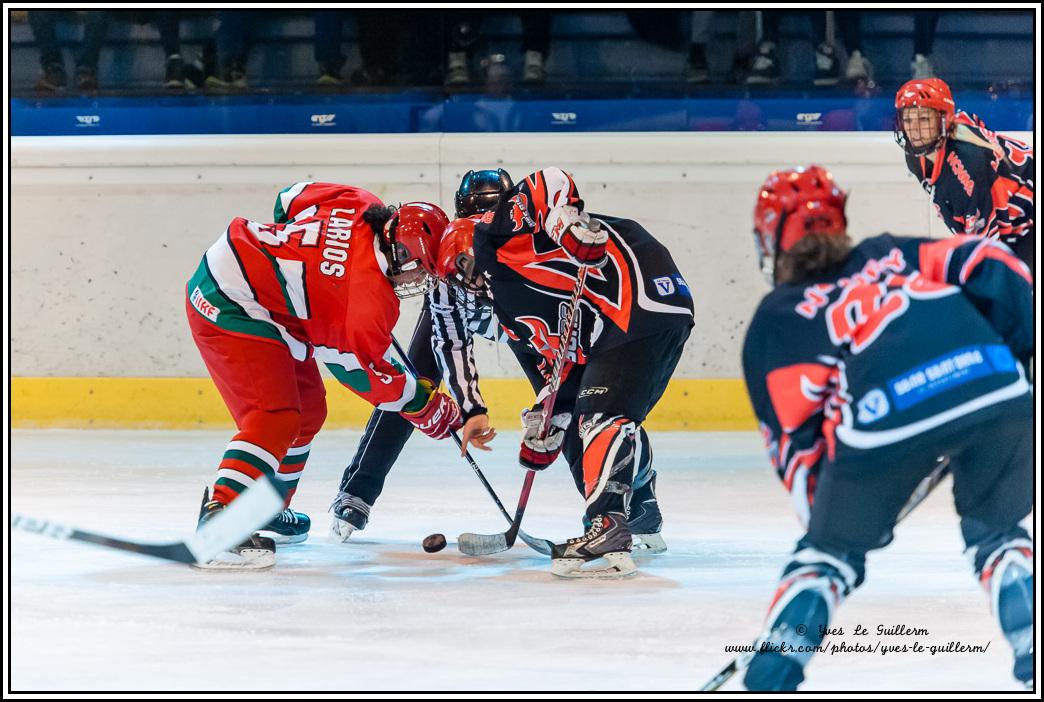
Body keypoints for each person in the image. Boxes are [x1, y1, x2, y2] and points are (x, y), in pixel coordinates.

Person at [739, 165, 1033, 690]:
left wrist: (834, 525)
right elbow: (989, 259)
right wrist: (1018, 353)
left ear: (771, 238)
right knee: (996, 534)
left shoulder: (779, 315)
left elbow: (794, 437)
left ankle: (775, 667)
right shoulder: (889, 252)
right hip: (997, 388)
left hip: (885, 416)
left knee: (826, 555)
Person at [185, 182, 462, 568]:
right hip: (231, 302)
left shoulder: (360, 202)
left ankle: (264, 509)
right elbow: (364, 376)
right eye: (420, 271)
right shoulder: (365, 303)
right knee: (274, 418)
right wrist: (425, 405)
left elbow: (288, 198)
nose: (418, 282)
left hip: (256, 290)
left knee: (309, 411)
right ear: (400, 253)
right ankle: (220, 521)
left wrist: (297, 257)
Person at [469, 167, 695, 578]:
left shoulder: (491, 235)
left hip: (636, 286)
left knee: (602, 415)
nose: (459, 281)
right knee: (597, 412)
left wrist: (565, 223)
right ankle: (636, 512)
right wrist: (549, 418)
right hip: (633, 314)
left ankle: (609, 526)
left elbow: (548, 181)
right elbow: (568, 365)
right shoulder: (511, 314)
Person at [329, 169, 514, 539]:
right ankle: (357, 493)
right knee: (412, 389)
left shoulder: (534, 258)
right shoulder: (450, 269)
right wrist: (471, 409)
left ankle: (618, 505)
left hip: (523, 319)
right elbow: (451, 344)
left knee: (578, 398)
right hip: (460, 312)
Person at [894, 77, 1035, 275]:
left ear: (943, 120)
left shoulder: (966, 165)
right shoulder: (916, 157)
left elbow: (987, 249)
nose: (914, 131)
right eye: (908, 120)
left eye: (924, 119)